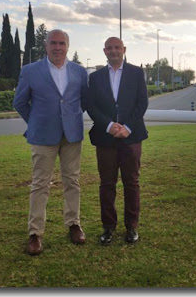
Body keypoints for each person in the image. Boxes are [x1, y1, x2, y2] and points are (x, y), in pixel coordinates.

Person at [13, 29, 88, 256]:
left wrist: (69, 120)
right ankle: (35, 233)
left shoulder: (79, 72)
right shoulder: (30, 71)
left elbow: (82, 101)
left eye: (62, 43)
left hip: (72, 136)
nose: (57, 47)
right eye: (53, 43)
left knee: (72, 181)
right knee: (40, 184)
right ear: (45, 46)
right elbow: (20, 102)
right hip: (42, 136)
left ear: (68, 46)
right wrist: (36, 122)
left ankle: (73, 224)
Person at [87, 37, 148, 245]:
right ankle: (108, 227)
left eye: (117, 47)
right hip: (105, 138)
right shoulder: (95, 77)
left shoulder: (136, 73)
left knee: (131, 182)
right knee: (107, 184)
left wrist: (127, 127)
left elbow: (142, 103)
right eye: (110, 48)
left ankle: (131, 227)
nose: (114, 51)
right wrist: (109, 126)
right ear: (104, 51)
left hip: (132, 137)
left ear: (124, 50)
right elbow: (91, 106)